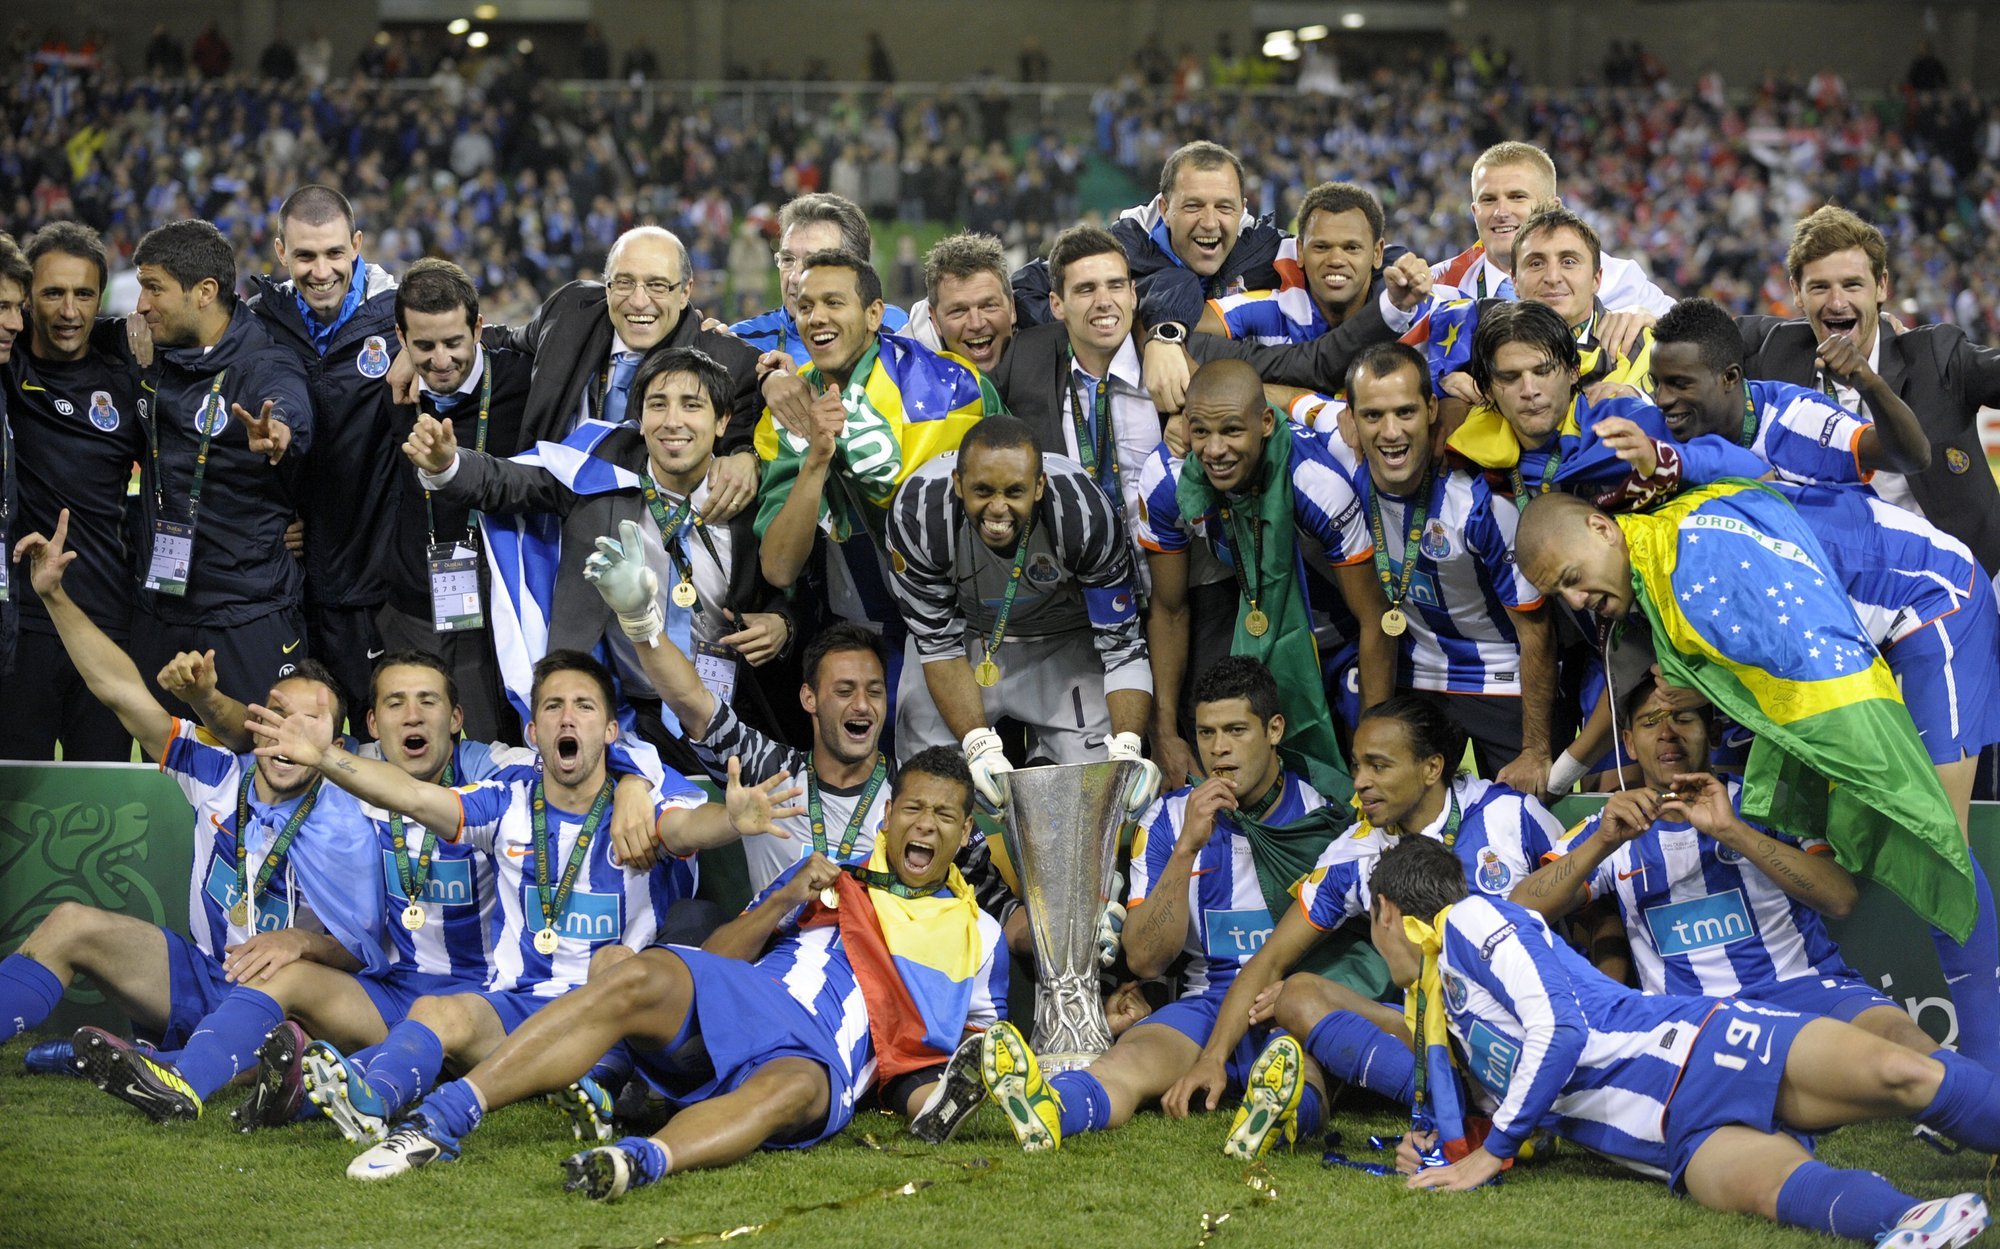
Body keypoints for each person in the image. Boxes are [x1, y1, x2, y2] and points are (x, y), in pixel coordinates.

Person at [333, 747, 1006, 1197]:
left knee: (789, 1090)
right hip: (749, 996)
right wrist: (782, 899)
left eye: (944, 815)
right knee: (637, 973)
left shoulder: (981, 934)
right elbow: (717, 956)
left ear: (965, 831)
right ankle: (441, 1121)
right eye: (913, 808)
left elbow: (976, 1052)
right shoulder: (831, 877)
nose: (925, 825)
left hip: (822, 1053)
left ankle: (640, 1159)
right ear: (887, 814)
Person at [1515, 484, 2000, 1073]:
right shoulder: (1651, 568)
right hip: (1855, 633)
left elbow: (1808, 657)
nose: (1576, 598)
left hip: (1930, 603)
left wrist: (1734, 811)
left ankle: (1988, 1073)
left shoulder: (1697, 572)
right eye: (1560, 593)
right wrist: (1575, 786)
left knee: (1938, 844)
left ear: (1601, 528)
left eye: (1572, 577)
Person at [1360, 834, 1996, 1247]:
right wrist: (1442, 1145)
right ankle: (1909, 1218)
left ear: (1387, 910)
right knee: (1781, 1190)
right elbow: (1517, 1111)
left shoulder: (1472, 919)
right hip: (1660, 1135)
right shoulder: (1441, 1013)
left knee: (1904, 1075)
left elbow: (1559, 1031)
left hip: (1696, 1050)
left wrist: (1490, 1152)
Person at [242, 650, 730, 1148]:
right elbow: (413, 796)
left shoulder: (641, 806)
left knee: (616, 961)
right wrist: (324, 756)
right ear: (533, 733)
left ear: (610, 731)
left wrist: (733, 817)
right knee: (435, 1011)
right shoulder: (504, 800)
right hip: (515, 1008)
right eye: (553, 706)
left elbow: (691, 827)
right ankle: (373, 1101)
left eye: (583, 706)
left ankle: (600, 1084)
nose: (567, 718)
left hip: (605, 1013)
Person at [0, 511, 380, 1117]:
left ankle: (155, 1062)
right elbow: (120, 690)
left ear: (335, 745)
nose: (290, 733)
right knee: (69, 922)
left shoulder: (359, 811)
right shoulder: (219, 773)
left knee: (291, 1044)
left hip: (291, 1002)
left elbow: (372, 947)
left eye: (310, 723)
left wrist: (302, 943)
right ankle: (146, 1054)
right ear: (257, 724)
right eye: (278, 716)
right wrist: (53, 596)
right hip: (205, 976)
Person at [947, 659, 1344, 1157]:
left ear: (1274, 730)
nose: (1219, 748)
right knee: (1126, 1061)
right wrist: (1187, 848)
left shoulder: (1320, 820)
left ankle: (1278, 1118)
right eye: (1206, 732)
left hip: (1286, 1000)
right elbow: (1145, 960)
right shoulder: (1168, 819)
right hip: (1206, 1002)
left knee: (1306, 1070)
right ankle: (1051, 1112)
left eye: (1236, 730)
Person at [1163, 696, 1561, 1145]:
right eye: (1357, 766)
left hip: (1525, 1019)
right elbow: (1270, 959)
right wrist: (1213, 1058)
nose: (1360, 783)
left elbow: (1594, 907)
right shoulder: (1356, 851)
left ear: (1431, 768)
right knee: (1297, 995)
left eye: (1379, 766)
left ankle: (1470, 1100)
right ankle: (1309, 1112)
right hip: (1431, 1030)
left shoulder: (1509, 816)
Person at [406, 346, 799, 768]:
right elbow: (508, 481)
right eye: (658, 405)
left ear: (722, 421)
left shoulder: (748, 490)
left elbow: (792, 583)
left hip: (727, 706)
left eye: (691, 405)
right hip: (625, 711)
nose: (672, 421)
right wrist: (447, 465)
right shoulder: (596, 472)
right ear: (640, 418)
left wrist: (784, 623)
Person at [1510, 679, 1939, 1057]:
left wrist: (1733, 831)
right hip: (1693, 1019)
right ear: (1628, 743)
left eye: (1683, 718)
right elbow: (1520, 908)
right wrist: (1601, 844)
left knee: (1909, 1045)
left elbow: (1840, 898)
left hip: (1806, 991)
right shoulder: (1607, 829)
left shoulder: (1769, 804)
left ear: (1713, 732)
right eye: (1650, 722)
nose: (1667, 733)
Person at [1134, 359, 1391, 793]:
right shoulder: (1165, 481)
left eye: (1232, 430)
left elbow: (1373, 618)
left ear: (1266, 424)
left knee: (1365, 782)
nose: (1215, 450)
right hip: (1261, 634)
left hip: (1343, 639)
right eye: (1201, 432)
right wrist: (1164, 732)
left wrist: (1375, 749)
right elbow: (1169, 609)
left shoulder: (1313, 480)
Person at [883, 417, 1157, 808]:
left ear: (1040, 486)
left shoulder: (1084, 512)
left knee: (1099, 796)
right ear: (958, 483)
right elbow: (937, 645)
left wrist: (1128, 746)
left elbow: (1121, 647)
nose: (998, 509)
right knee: (928, 790)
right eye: (982, 490)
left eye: (1014, 491)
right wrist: (978, 745)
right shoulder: (918, 513)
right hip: (963, 642)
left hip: (1062, 641)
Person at [407, 226, 762, 518]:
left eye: (657, 285)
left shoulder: (728, 364)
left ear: (685, 292)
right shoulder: (570, 312)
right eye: (624, 282)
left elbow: (749, 433)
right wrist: (413, 353)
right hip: (541, 525)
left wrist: (748, 456)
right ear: (607, 286)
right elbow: (503, 339)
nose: (639, 301)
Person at [1735, 205, 2000, 582]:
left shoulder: (1934, 357)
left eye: (1852, 285)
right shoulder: (1778, 349)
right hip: (1836, 587)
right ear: (1797, 292)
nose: (1837, 302)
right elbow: (1700, 335)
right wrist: (1652, 323)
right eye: (1820, 287)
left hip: (1963, 582)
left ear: (1881, 286)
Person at [753, 249, 1000, 643]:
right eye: (806, 306)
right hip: (862, 638)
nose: (816, 318)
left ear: (873, 314)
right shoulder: (786, 415)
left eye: (834, 302)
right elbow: (780, 569)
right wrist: (817, 460)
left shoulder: (958, 387)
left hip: (971, 624)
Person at [124, 219, 316, 720]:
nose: (141, 304)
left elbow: (288, 404)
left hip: (246, 614)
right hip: (160, 610)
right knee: (166, 763)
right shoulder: (149, 352)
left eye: (154, 288)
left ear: (205, 291)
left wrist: (280, 433)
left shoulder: (263, 363)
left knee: (264, 755)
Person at [1342, 343, 1555, 793]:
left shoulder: (1481, 501)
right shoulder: (1340, 459)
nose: (1390, 432)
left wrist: (1535, 750)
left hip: (1501, 680)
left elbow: (1536, 631)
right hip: (1415, 678)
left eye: (1405, 412)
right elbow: (1268, 395)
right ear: (1351, 418)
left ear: (1432, 409)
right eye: (1373, 416)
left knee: (1520, 815)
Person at [247, 184, 402, 722]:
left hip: (377, 580)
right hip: (289, 579)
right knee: (294, 735)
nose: (321, 271)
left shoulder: (397, 320)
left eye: (335, 253)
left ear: (357, 245)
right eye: (305, 256)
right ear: (281, 252)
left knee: (378, 734)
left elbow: (470, 346)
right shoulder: (259, 324)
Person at [1, 222, 143, 760]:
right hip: (25, 626)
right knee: (19, 795)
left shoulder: (127, 380)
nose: (69, 311)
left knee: (104, 795)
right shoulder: (8, 366)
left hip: (107, 621)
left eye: (84, 294)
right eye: (52, 293)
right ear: (26, 298)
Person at [379, 258, 531, 743]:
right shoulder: (390, 389)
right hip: (412, 610)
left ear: (479, 329)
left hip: (501, 612)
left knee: (500, 750)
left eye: (453, 342)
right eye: (424, 346)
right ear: (401, 339)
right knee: (414, 752)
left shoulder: (524, 382)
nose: (441, 360)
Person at [987, 227, 1167, 537]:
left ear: (1132, 294)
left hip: (1170, 559)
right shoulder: (1026, 358)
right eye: (1086, 289)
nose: (1104, 301)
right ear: (1056, 304)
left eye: (1115, 285)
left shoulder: (1174, 353)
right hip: (1074, 563)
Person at [1650, 295, 1930, 484]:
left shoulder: (1797, 421)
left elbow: (1913, 458)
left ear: (1730, 377)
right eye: (1656, 383)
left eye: (1679, 384)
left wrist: (1870, 383)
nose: (1662, 400)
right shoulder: (1659, 425)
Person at [1432, 141, 1674, 314]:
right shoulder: (1441, 286)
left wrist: (1649, 321)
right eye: (1488, 200)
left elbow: (1690, 336)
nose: (1501, 212)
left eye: (1517, 197)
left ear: (1553, 208)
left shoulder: (1616, 279)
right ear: (1475, 212)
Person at [1202, 183, 1391, 345]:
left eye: (1351, 248)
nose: (1336, 260)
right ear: (1300, 251)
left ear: (1377, 253)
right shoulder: (1269, 309)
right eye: (1321, 247)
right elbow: (1192, 330)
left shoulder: (1402, 312)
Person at [729, 192, 909, 362]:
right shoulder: (743, 342)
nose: (794, 278)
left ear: (857, 270)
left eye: (813, 262)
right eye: (787, 259)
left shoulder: (894, 328)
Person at [904, 231, 1014, 374]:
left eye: (988, 306)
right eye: (959, 311)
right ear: (935, 319)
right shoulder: (903, 379)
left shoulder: (1042, 354)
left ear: (1012, 309)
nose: (976, 324)